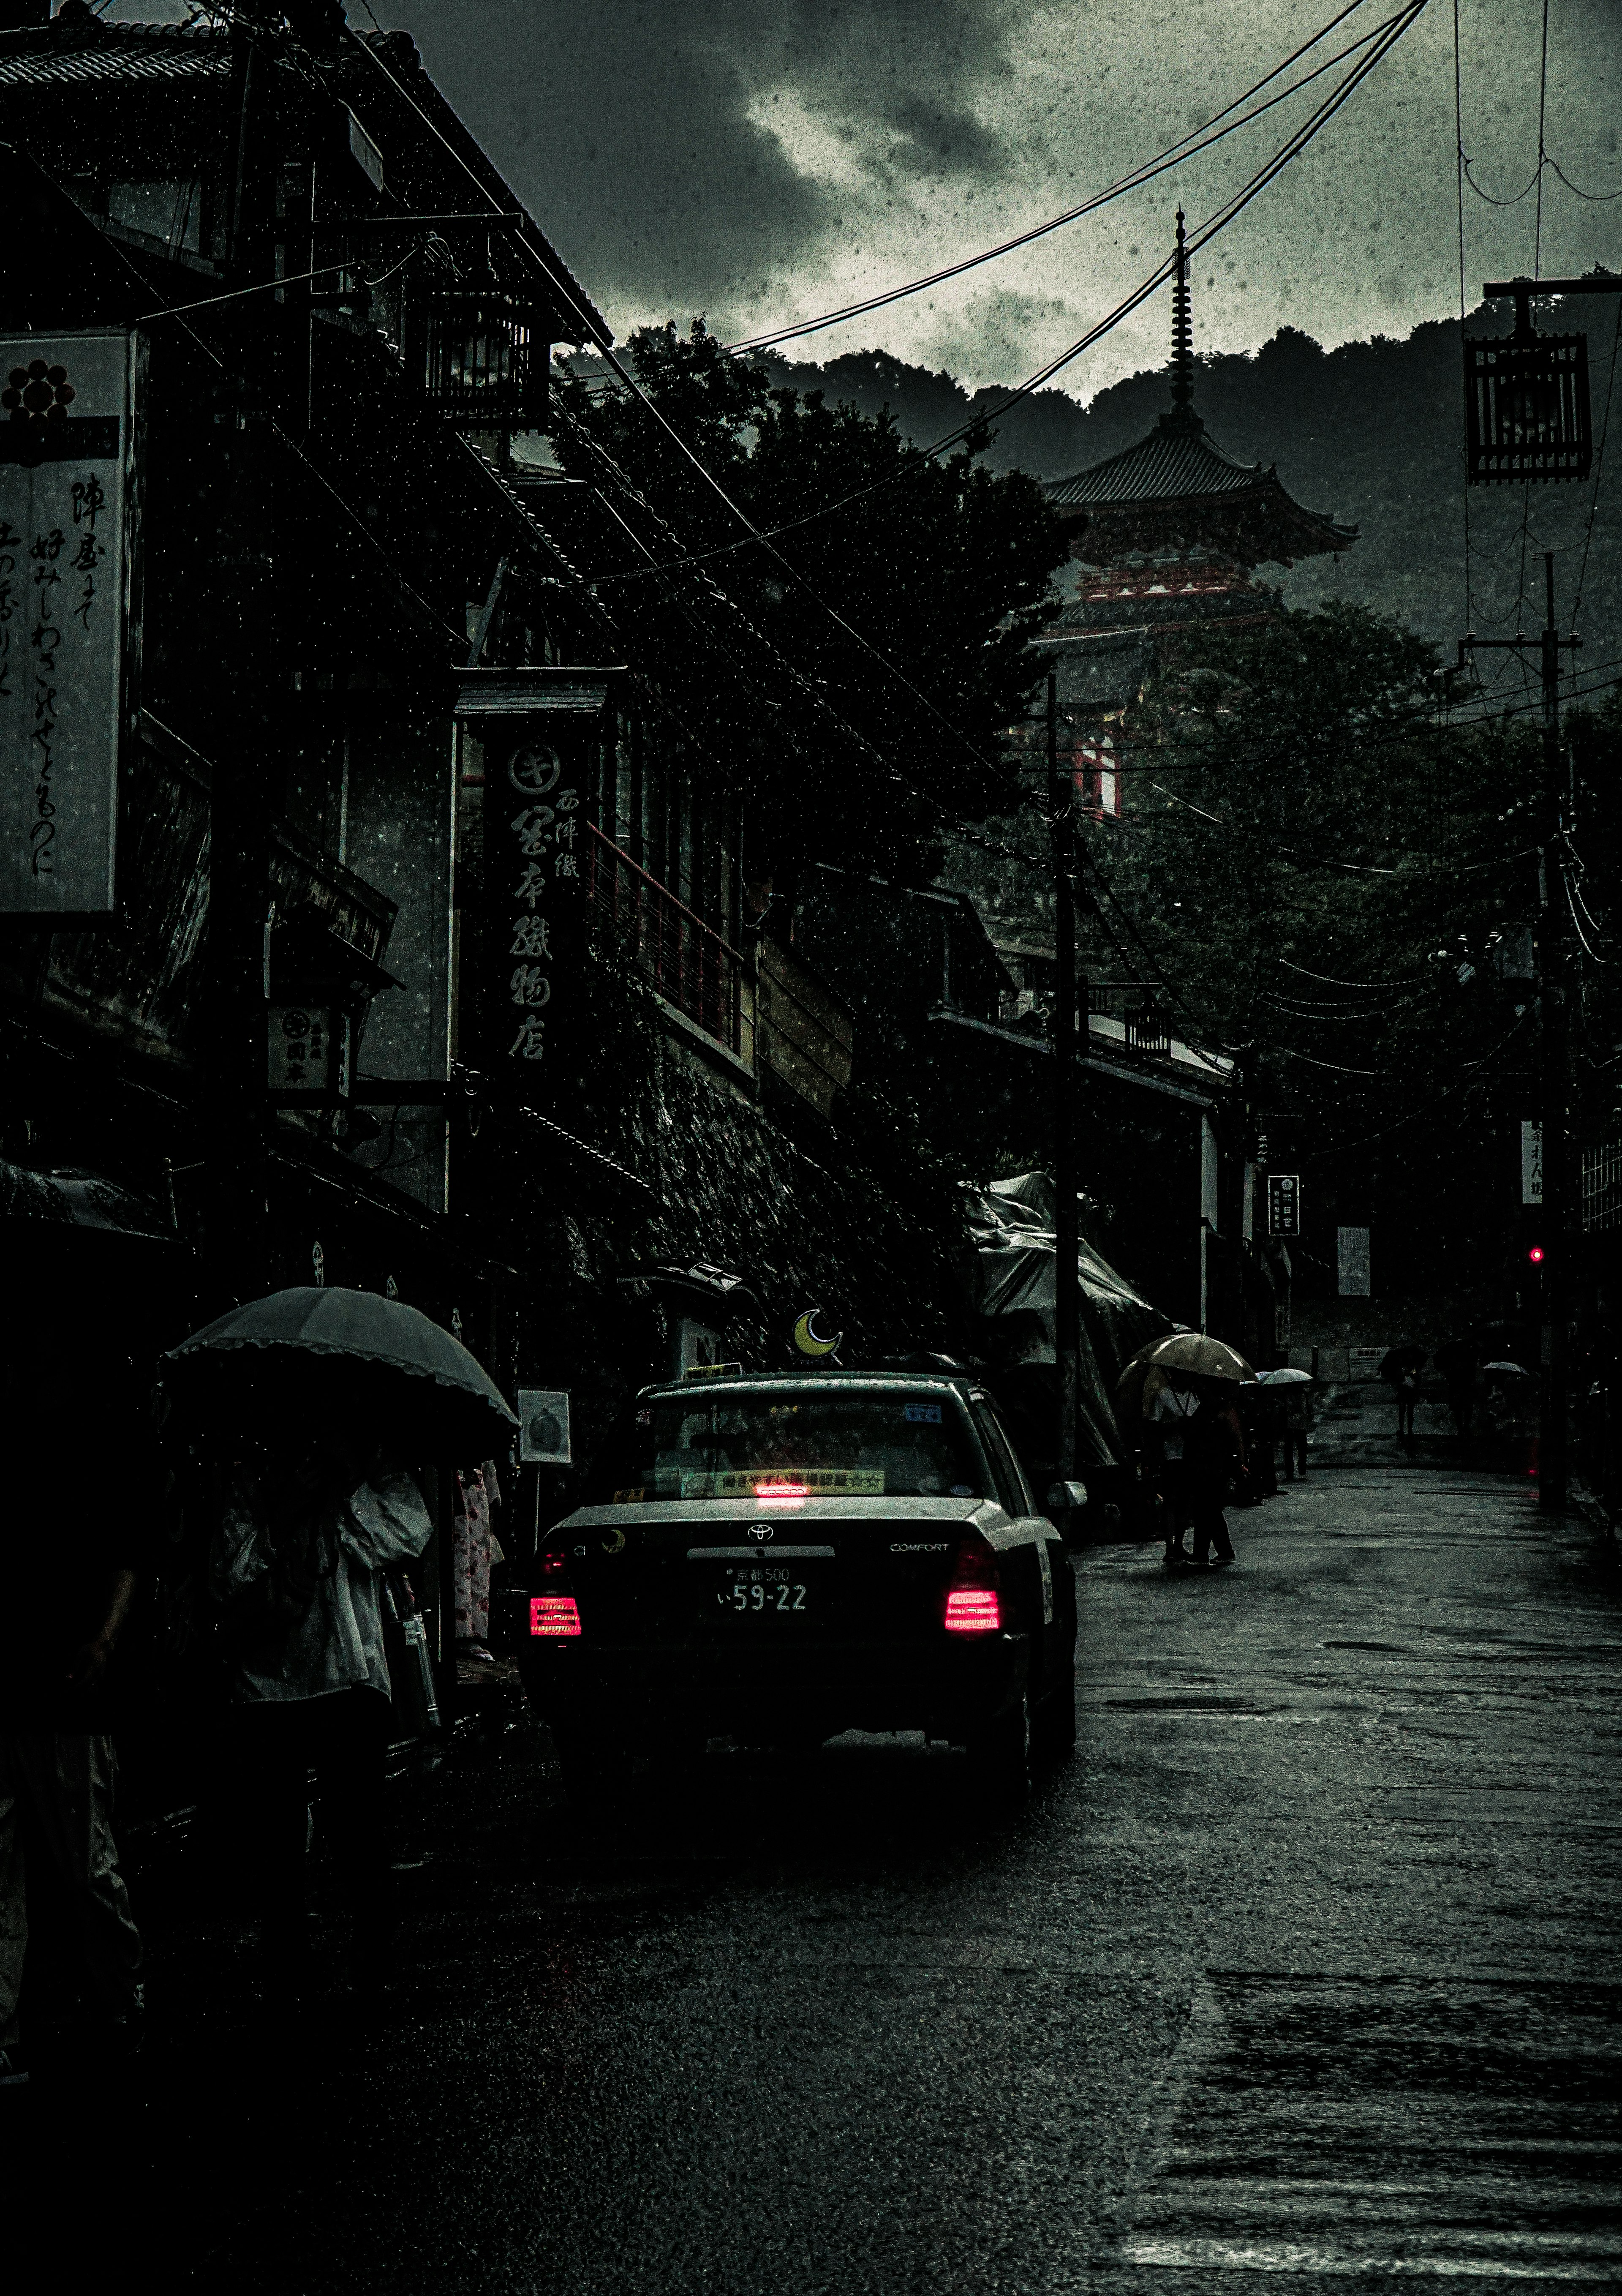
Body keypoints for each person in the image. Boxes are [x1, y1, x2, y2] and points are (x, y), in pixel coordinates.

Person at [211, 1413, 433, 2004]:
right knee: (279, 1836)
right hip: (270, 1678)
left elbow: (406, 1535)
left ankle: (372, 1957)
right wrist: (288, 1507)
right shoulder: (251, 1473)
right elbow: (231, 1571)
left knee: (356, 1823)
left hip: (348, 1670)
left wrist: (348, 1481)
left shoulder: (364, 1457)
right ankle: (290, 1963)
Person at [0, 1350, 154, 2089]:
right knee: (63, 1862)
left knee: (79, 1861)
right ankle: (100, 2004)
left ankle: (114, 2001)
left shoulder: (81, 1458)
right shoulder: (67, 1453)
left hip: (63, 1684)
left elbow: (124, 1552)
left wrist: (101, 1640)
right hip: (44, 1682)